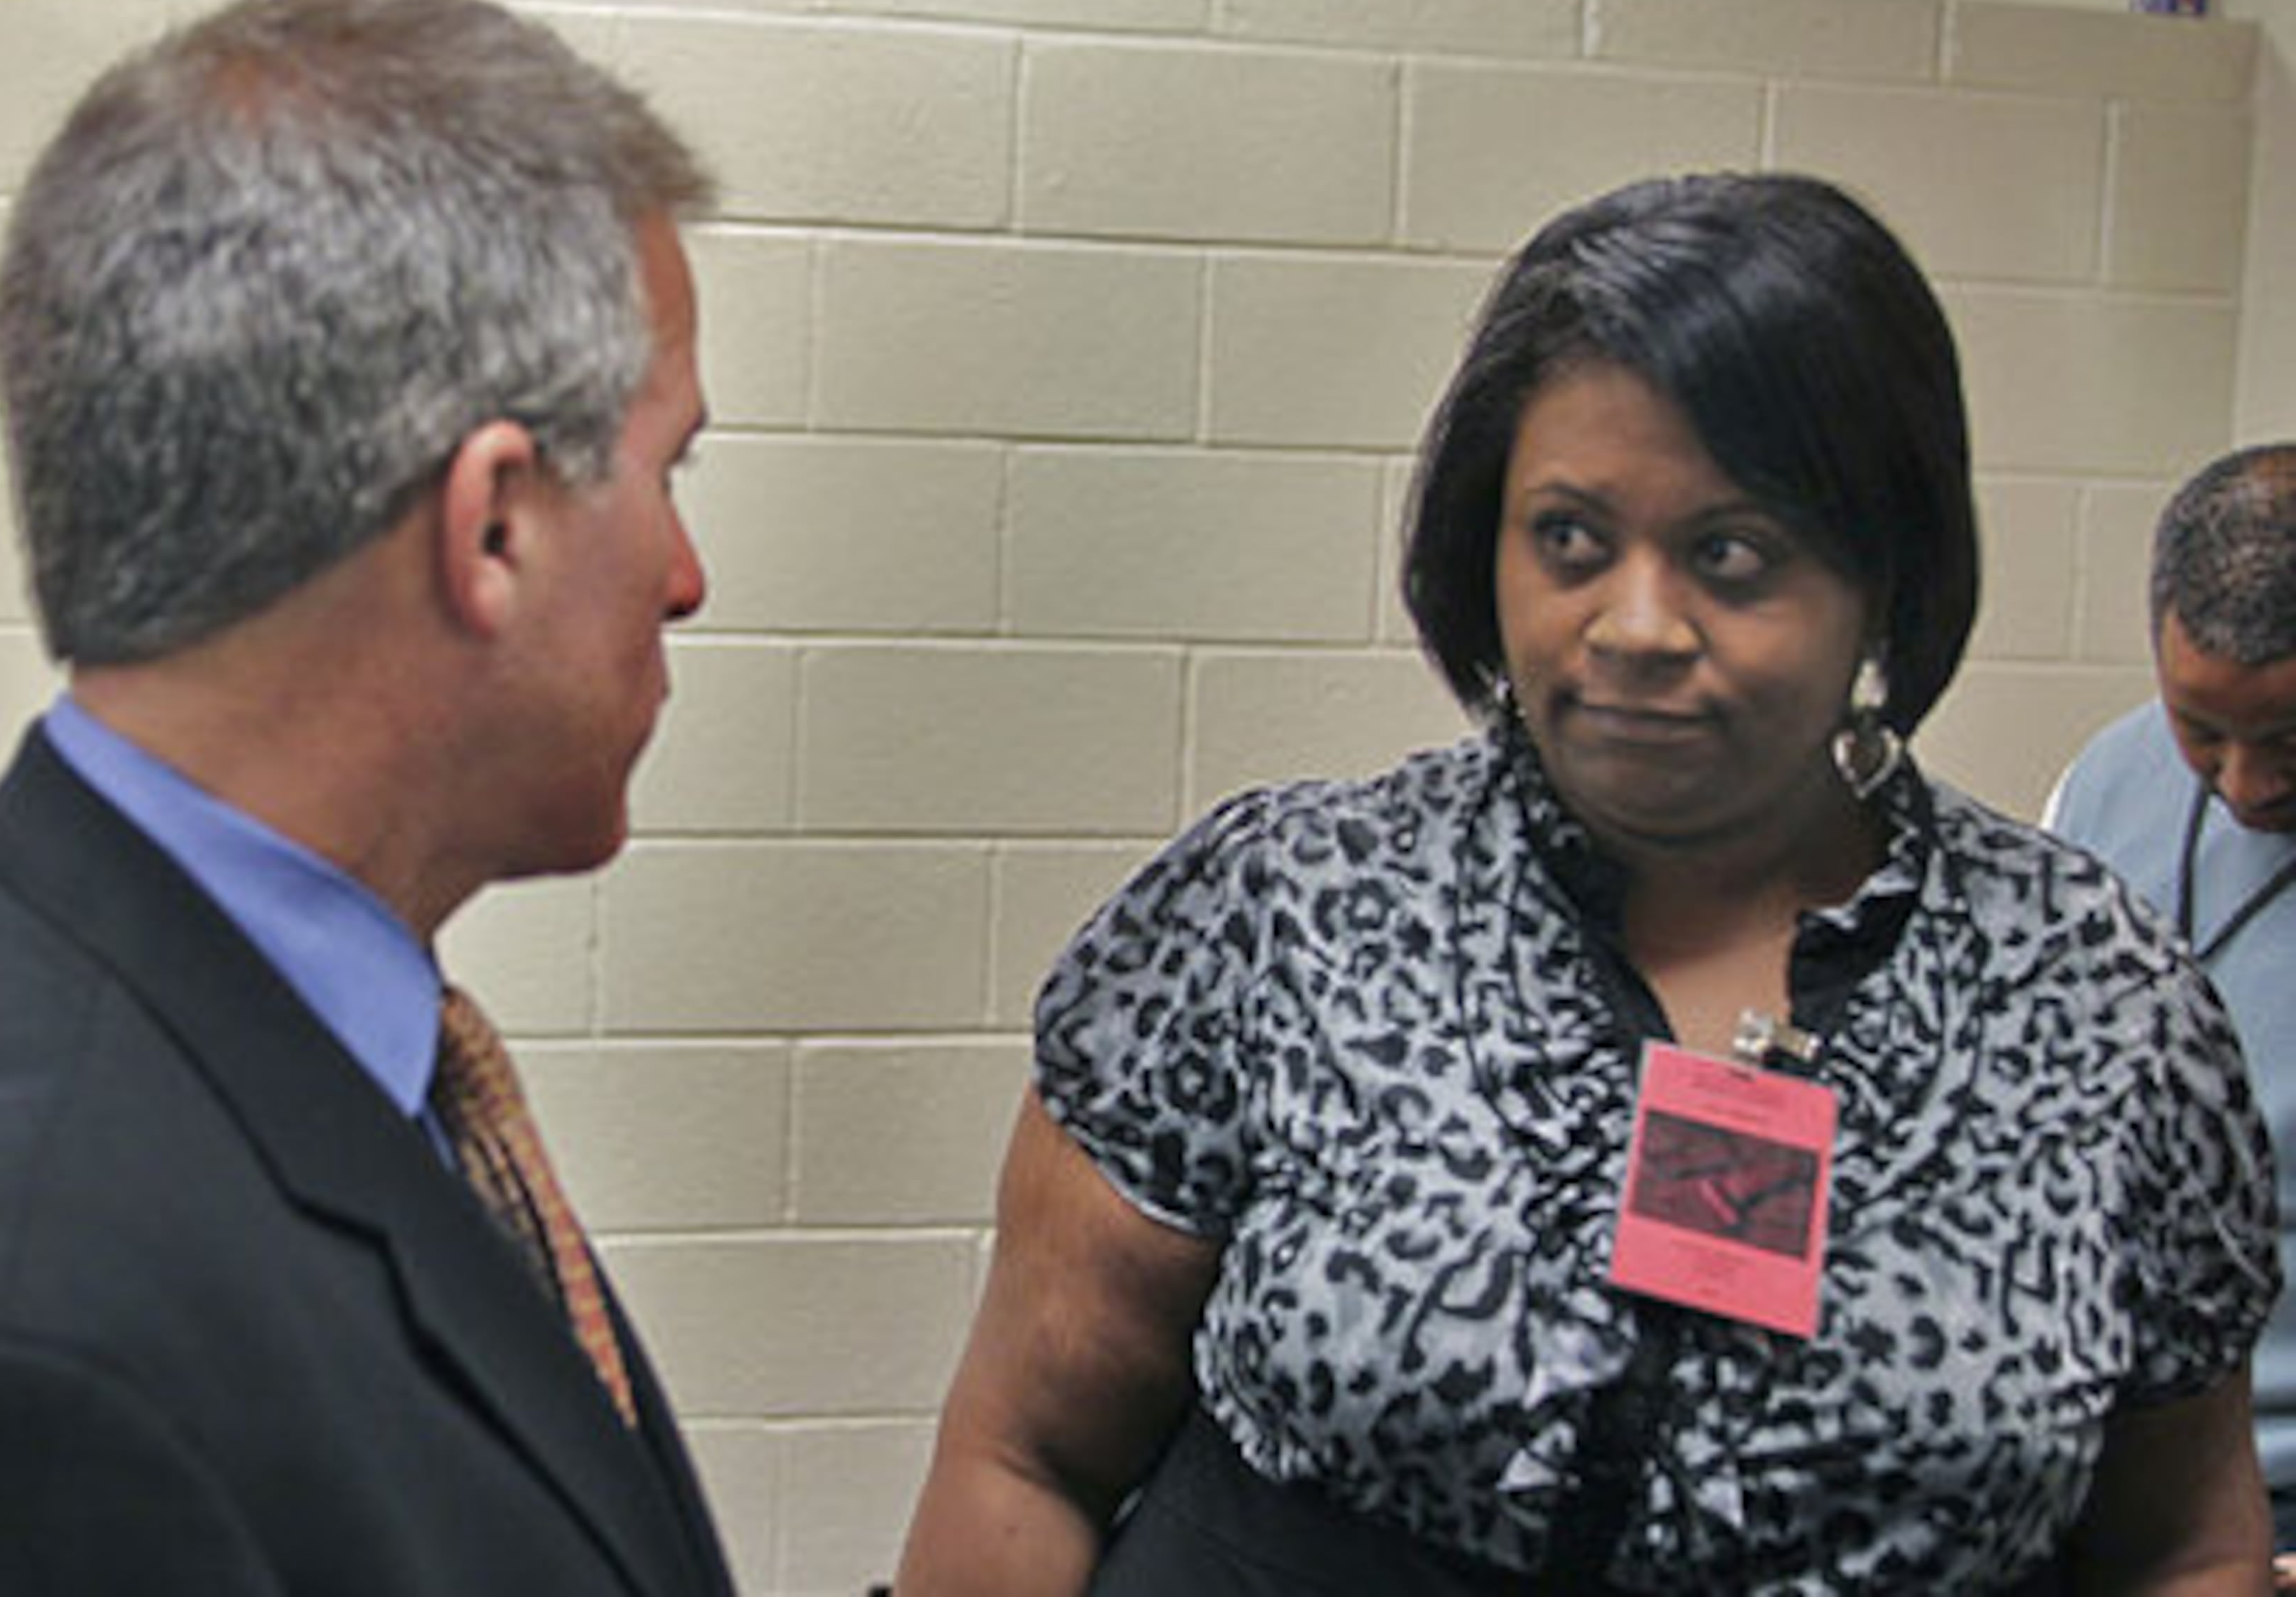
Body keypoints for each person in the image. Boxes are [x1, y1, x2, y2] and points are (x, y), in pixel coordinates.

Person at [893, 172, 2278, 1595]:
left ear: (1887, 573)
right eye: (1568, 539)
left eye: (1729, 554)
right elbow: (1025, 1457)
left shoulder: (2100, 1009)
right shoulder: (1284, 915)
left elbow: (2184, 1548)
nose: (1633, 625)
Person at [0, 0, 733, 1594]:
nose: (687, 577)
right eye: (669, 469)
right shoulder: (3, 1373)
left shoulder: (238, 1046)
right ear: (492, 526)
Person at [2046, 442, 2296, 1580]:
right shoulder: (2100, 784)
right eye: (2203, 729)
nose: (2246, 784)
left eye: (2289, 739)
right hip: (2089, 1459)